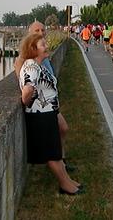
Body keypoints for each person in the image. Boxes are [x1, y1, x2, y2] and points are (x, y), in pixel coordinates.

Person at [18, 33, 83, 195]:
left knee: (54, 151)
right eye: (43, 45)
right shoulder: (31, 67)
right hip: (40, 115)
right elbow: (27, 91)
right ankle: (65, 185)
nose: (47, 47)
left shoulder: (37, 65)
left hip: (47, 113)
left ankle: (67, 180)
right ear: (33, 49)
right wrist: (29, 104)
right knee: (51, 153)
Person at [14, 21, 74, 172]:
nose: (41, 32)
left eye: (42, 30)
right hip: (41, 105)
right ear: (29, 34)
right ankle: (58, 162)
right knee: (60, 129)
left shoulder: (42, 54)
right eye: (36, 30)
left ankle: (60, 160)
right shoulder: (24, 58)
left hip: (50, 102)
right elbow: (25, 83)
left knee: (63, 129)